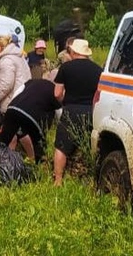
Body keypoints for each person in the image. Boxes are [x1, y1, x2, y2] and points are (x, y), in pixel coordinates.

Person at [53, 38, 102, 186]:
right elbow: (99, 95)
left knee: (61, 146)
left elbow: (57, 93)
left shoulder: (66, 68)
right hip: (90, 111)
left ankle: (58, 180)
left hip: (71, 109)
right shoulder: (98, 69)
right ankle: (90, 178)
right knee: (89, 145)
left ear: (73, 52)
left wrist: (64, 102)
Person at [0, 78, 62, 163]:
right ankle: (39, 165)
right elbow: (60, 114)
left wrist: (11, 109)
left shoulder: (32, 81)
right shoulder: (57, 92)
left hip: (13, 108)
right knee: (38, 144)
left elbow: (17, 93)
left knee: (4, 139)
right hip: (33, 117)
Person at [0, 35, 33, 157]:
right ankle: (20, 156)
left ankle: (13, 158)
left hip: (12, 101)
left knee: (15, 132)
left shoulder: (7, 60)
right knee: (17, 131)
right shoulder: (18, 57)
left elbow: (7, 84)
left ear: (0, 46)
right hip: (21, 99)